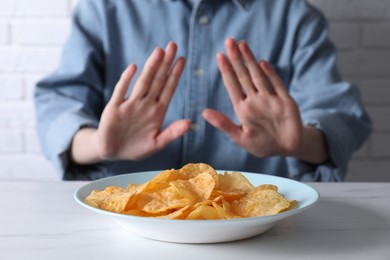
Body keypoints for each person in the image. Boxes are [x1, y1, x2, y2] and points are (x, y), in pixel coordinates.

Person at [34, 0, 372, 181]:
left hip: (262, 237)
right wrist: (99, 144)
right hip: (127, 232)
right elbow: (59, 102)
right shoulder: (103, 8)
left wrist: (300, 142)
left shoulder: (295, 16)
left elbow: (339, 114)